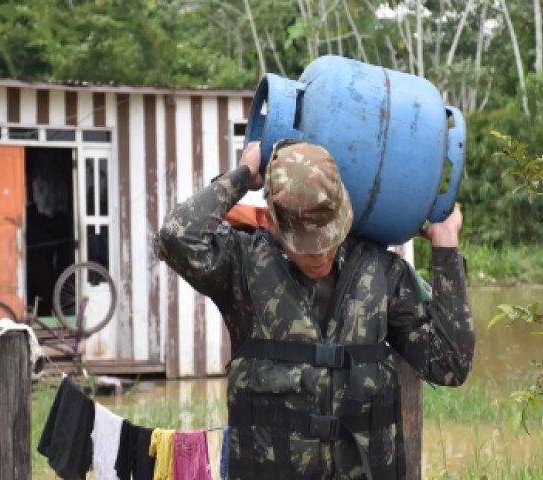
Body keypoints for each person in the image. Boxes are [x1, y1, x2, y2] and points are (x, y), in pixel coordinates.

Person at [154, 140, 475, 480]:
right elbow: (176, 237)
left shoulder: (381, 273)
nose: (320, 255)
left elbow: (449, 365)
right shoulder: (242, 268)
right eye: (306, 246)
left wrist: (446, 243)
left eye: (327, 238)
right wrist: (244, 175)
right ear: (275, 225)